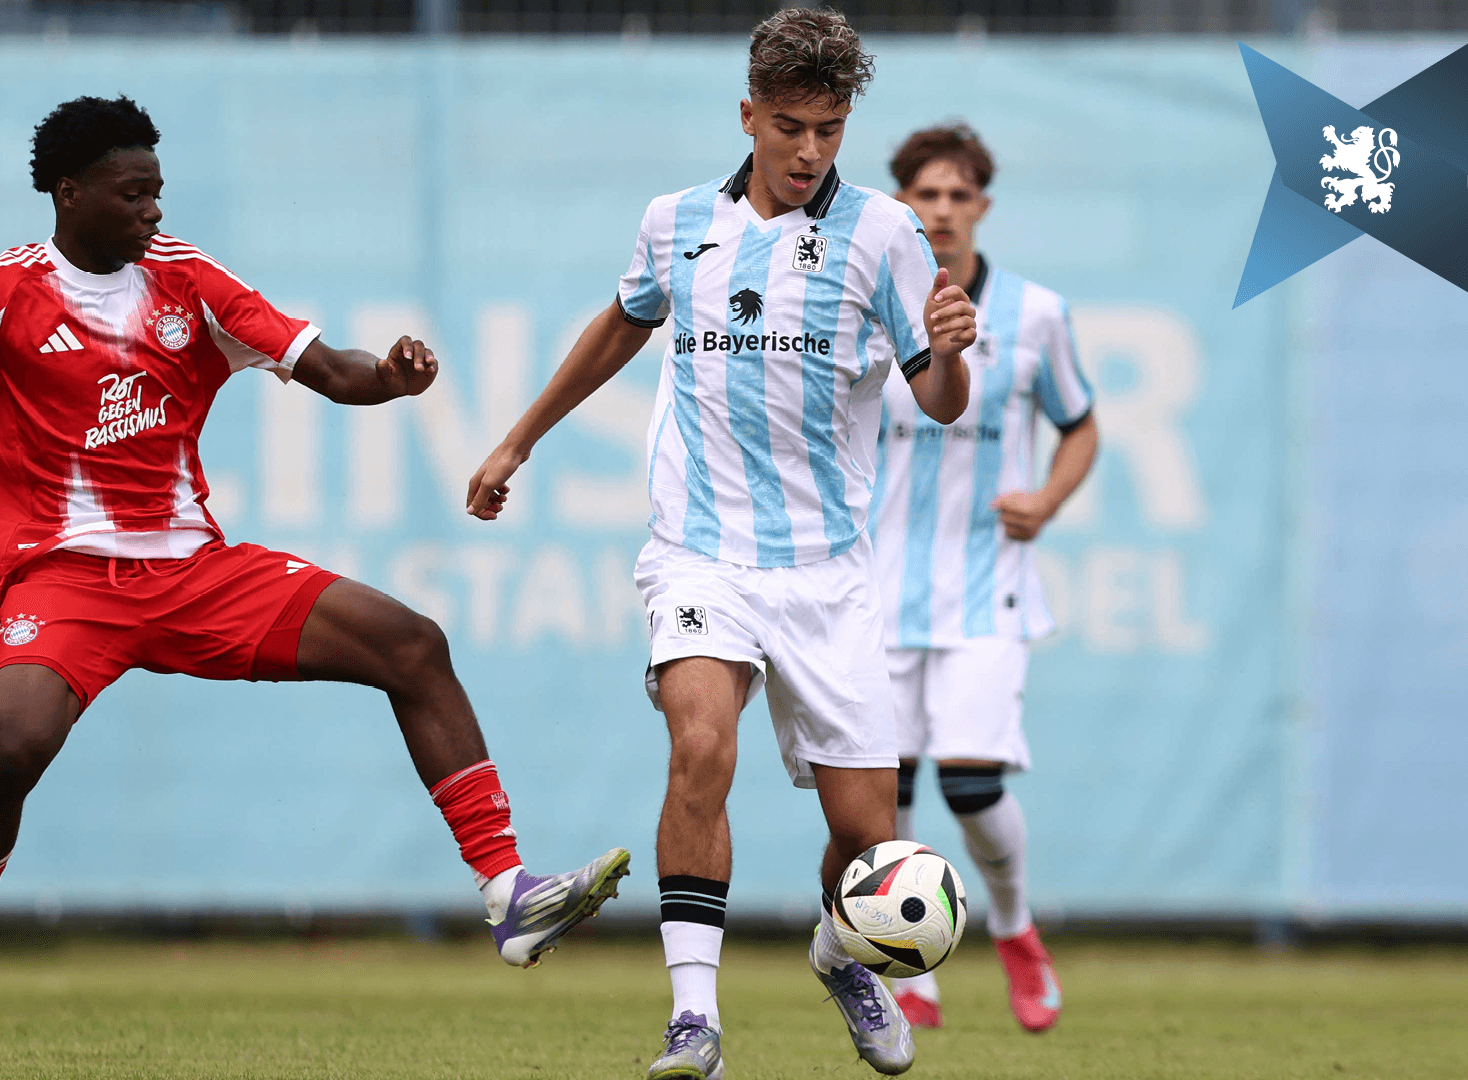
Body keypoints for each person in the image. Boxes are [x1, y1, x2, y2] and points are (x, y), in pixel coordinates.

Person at [0, 95, 629, 1060]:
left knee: (411, 643)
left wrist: (393, 378)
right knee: (14, 745)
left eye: (158, 190)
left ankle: (509, 896)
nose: (154, 209)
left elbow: (332, 370)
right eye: (132, 192)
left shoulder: (191, 280)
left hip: (192, 570)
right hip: (62, 578)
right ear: (68, 194)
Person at [466, 10, 974, 1077]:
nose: (808, 151)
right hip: (698, 551)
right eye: (789, 126)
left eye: (829, 130)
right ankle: (694, 1018)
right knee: (701, 746)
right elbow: (623, 321)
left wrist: (952, 352)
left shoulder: (886, 234)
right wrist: (517, 440)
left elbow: (937, 400)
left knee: (868, 840)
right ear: (748, 114)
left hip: (827, 571)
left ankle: (841, 952)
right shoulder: (677, 221)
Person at [869, 123, 1098, 1034]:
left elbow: (1079, 423)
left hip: (986, 587)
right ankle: (908, 966)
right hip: (876, 590)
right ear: (901, 205)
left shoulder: (1035, 313)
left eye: (958, 195)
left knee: (970, 786)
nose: (943, 210)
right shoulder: (868, 306)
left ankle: (1013, 929)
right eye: (926, 195)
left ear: (982, 207)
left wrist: (1046, 499)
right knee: (884, 791)